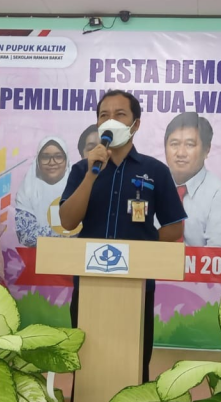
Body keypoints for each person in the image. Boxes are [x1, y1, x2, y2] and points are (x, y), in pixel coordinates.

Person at [59, 90, 186, 383]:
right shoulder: (81, 169)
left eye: (120, 115)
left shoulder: (155, 171)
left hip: (137, 286)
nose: (111, 121)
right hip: (89, 284)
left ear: (135, 124)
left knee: (135, 363)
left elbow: (175, 227)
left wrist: (139, 251)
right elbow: (67, 221)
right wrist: (92, 174)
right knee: (87, 363)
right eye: (104, 115)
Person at [163, 112, 221, 247]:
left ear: (206, 150)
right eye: (174, 144)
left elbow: (219, 255)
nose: (180, 153)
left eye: (190, 145)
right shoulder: (153, 185)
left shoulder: (220, 195)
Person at [15, 137, 71, 247]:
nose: (52, 162)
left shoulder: (79, 185)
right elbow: (25, 235)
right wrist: (64, 231)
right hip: (38, 254)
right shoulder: (27, 189)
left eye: (58, 156)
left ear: (66, 159)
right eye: (45, 157)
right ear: (38, 161)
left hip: (77, 252)